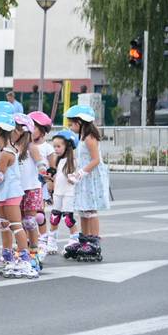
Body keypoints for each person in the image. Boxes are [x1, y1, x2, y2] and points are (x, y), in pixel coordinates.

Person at [0, 111, 36, 279]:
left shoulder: (6, 153)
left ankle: (25, 259)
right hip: (4, 193)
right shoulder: (5, 150)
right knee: (3, 224)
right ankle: (7, 256)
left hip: (11, 194)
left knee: (15, 225)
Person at [63, 105, 110, 261]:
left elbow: (96, 160)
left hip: (91, 178)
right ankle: (85, 240)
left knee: (91, 209)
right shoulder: (82, 137)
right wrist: (76, 172)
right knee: (83, 208)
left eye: (71, 124)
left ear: (80, 122)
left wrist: (81, 173)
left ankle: (94, 241)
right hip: (84, 177)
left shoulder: (90, 138)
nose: (70, 127)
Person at [14, 113, 45, 271]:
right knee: (18, 223)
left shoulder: (31, 147)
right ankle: (22, 251)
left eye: (15, 128)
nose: (12, 131)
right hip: (17, 190)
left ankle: (34, 252)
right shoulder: (13, 148)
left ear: (22, 131)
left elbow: (40, 162)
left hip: (32, 189)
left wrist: (43, 169)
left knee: (30, 222)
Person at [46, 129, 80, 255]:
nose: (56, 149)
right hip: (57, 193)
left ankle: (74, 240)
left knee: (68, 218)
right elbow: (54, 175)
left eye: (59, 146)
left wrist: (74, 178)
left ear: (68, 146)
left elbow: (76, 178)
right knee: (54, 217)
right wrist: (50, 180)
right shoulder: (57, 160)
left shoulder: (73, 161)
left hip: (69, 194)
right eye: (54, 146)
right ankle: (51, 241)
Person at [29, 111, 57, 256]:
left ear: (42, 130)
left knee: (39, 214)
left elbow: (52, 169)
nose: (30, 131)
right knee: (27, 215)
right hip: (27, 183)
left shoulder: (47, 148)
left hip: (40, 185)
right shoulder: (26, 146)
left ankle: (43, 239)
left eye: (33, 128)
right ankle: (29, 238)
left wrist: (51, 183)